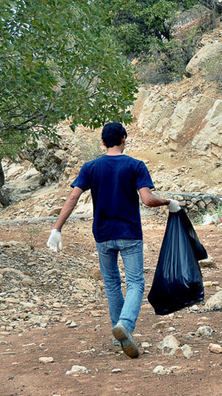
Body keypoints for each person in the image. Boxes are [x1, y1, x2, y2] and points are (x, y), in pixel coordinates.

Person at [46, 122, 180, 358]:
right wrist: (168, 202)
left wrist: (57, 228)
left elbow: (73, 197)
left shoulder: (91, 167)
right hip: (129, 234)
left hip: (103, 234)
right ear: (124, 139)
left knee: (111, 283)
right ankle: (125, 326)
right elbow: (147, 200)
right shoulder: (135, 165)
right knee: (136, 282)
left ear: (103, 142)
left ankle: (120, 336)